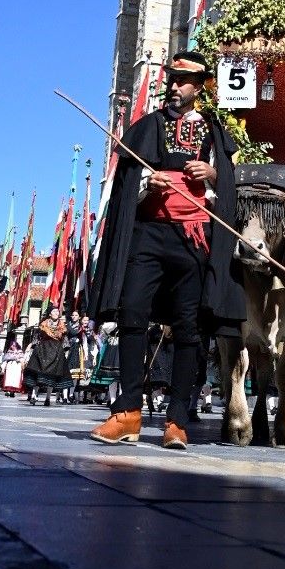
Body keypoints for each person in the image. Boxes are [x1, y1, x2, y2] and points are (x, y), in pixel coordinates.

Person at [90, 52, 240, 450]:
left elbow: (228, 185)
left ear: (200, 87)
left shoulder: (214, 131)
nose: (174, 86)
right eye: (171, 79)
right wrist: (146, 181)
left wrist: (213, 175)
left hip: (193, 238)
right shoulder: (147, 127)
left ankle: (177, 419)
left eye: (183, 80)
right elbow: (124, 180)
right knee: (133, 315)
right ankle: (128, 413)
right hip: (149, 235)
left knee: (189, 328)